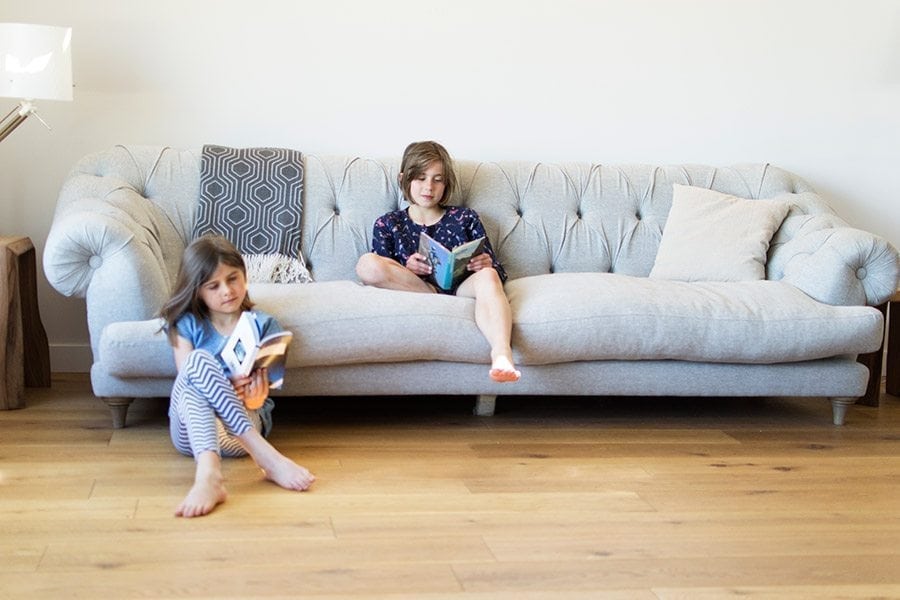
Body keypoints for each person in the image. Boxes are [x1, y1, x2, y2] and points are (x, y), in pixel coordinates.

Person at [159, 234, 314, 518]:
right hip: (193, 431)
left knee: (200, 366)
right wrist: (224, 385)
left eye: (233, 278)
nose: (227, 291)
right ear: (197, 291)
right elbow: (187, 379)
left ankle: (208, 475)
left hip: (238, 435)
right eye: (213, 286)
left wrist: (254, 398)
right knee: (197, 362)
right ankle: (265, 457)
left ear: (244, 275)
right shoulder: (187, 323)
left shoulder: (265, 325)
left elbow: (262, 395)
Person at [356, 141, 521, 383]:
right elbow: (381, 273)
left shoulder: (465, 217)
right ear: (404, 179)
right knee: (367, 264)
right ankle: (429, 291)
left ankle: (501, 354)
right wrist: (406, 268)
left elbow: (496, 270)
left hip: (460, 287)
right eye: (421, 178)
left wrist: (485, 264)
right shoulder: (389, 223)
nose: (428, 187)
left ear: (446, 183)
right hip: (414, 286)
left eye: (437, 179)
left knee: (489, 276)